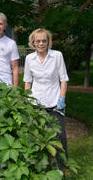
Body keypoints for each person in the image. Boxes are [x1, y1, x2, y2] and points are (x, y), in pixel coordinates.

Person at [23, 28, 69, 163]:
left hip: (55, 102)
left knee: (60, 135)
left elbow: (64, 79)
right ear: (33, 42)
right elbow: (27, 81)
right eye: (38, 41)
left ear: (48, 42)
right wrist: (27, 99)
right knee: (38, 135)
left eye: (44, 40)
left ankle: (62, 165)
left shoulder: (57, 56)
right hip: (36, 103)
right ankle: (42, 164)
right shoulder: (29, 59)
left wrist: (62, 99)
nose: (41, 43)